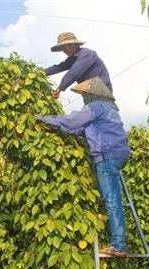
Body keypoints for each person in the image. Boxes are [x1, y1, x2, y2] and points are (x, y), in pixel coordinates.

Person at [35, 77, 130, 257]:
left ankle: (118, 246)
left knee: (112, 200)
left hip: (107, 155)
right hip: (119, 154)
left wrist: (47, 119)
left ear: (91, 95)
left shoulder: (95, 107)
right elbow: (82, 129)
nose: (84, 99)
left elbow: (73, 121)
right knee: (111, 197)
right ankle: (119, 240)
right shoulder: (110, 109)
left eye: (85, 95)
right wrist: (59, 128)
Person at [45, 32, 112, 99]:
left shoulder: (87, 53)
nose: (64, 51)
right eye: (62, 49)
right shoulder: (72, 59)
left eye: (65, 48)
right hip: (89, 95)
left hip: (102, 93)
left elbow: (75, 71)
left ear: (73, 44)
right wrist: (40, 73)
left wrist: (61, 87)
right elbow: (58, 67)